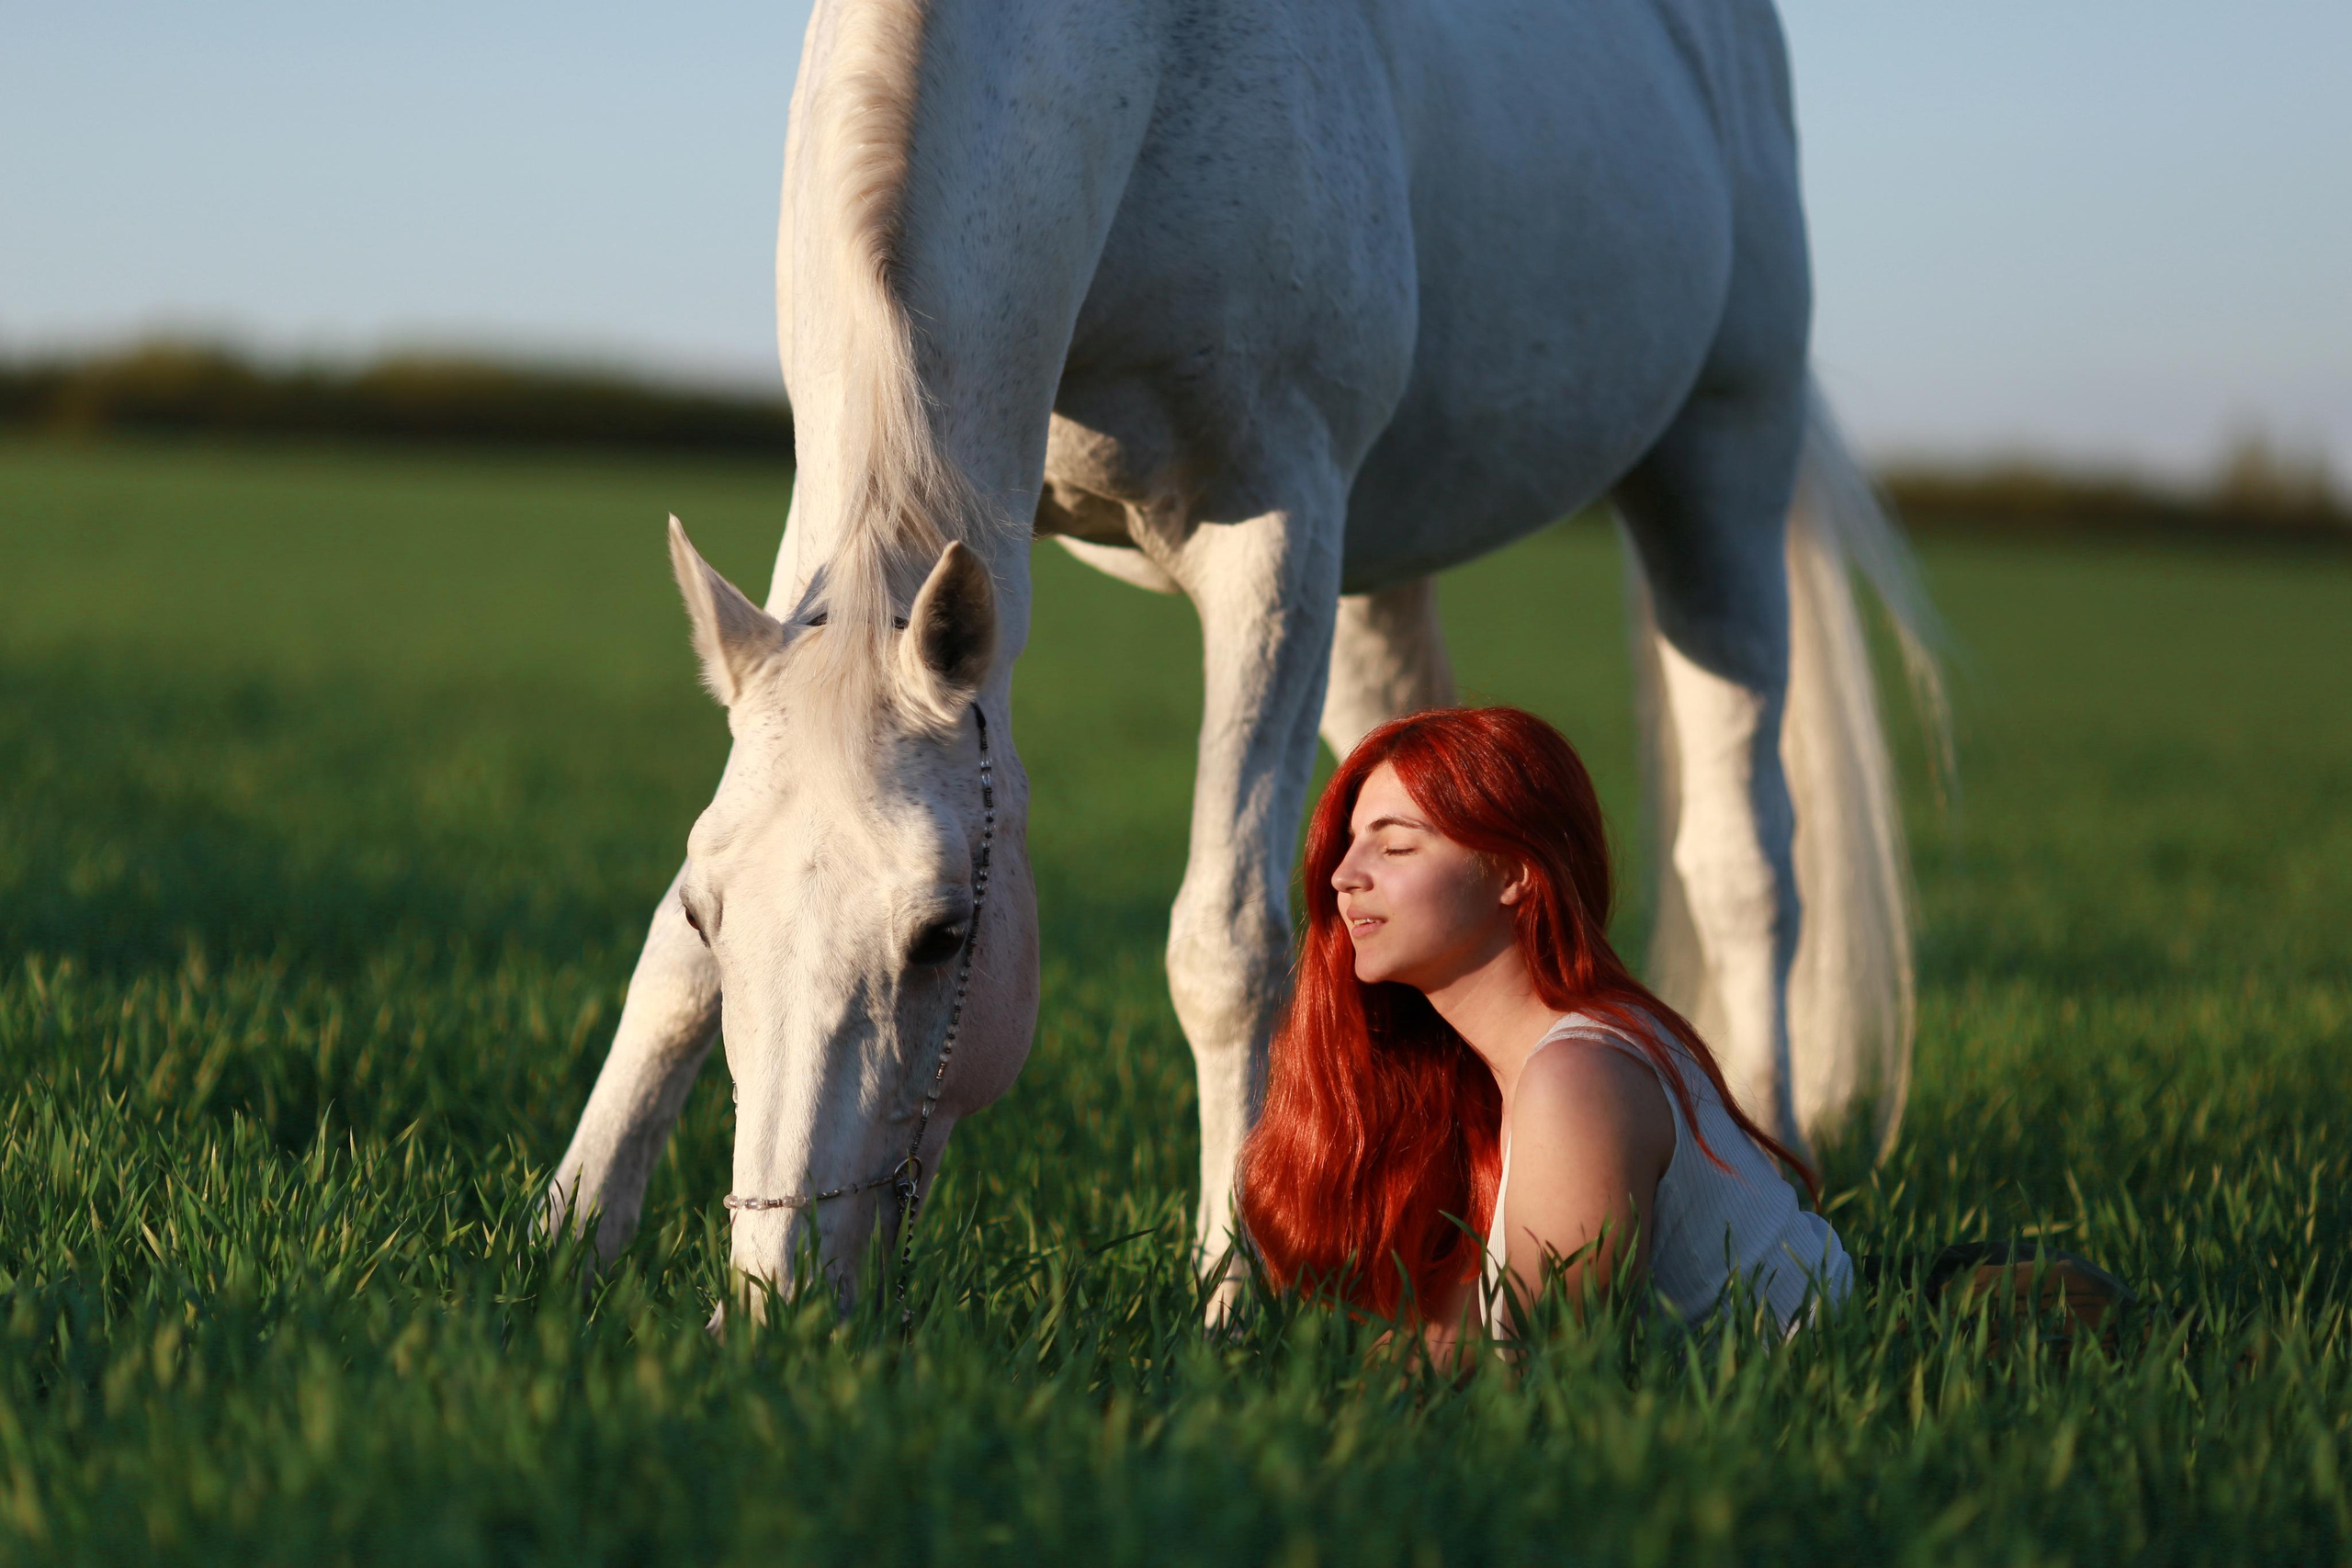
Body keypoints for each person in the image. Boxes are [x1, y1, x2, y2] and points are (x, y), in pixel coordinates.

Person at [1240, 706, 1850, 1358]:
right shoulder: (1504, 1073)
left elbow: (1540, 1374)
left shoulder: (1578, 1078)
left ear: (1514, 872)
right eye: (1351, 844)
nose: (1342, 876)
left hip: (1859, 1386)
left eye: (1395, 847)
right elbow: (1460, 1342)